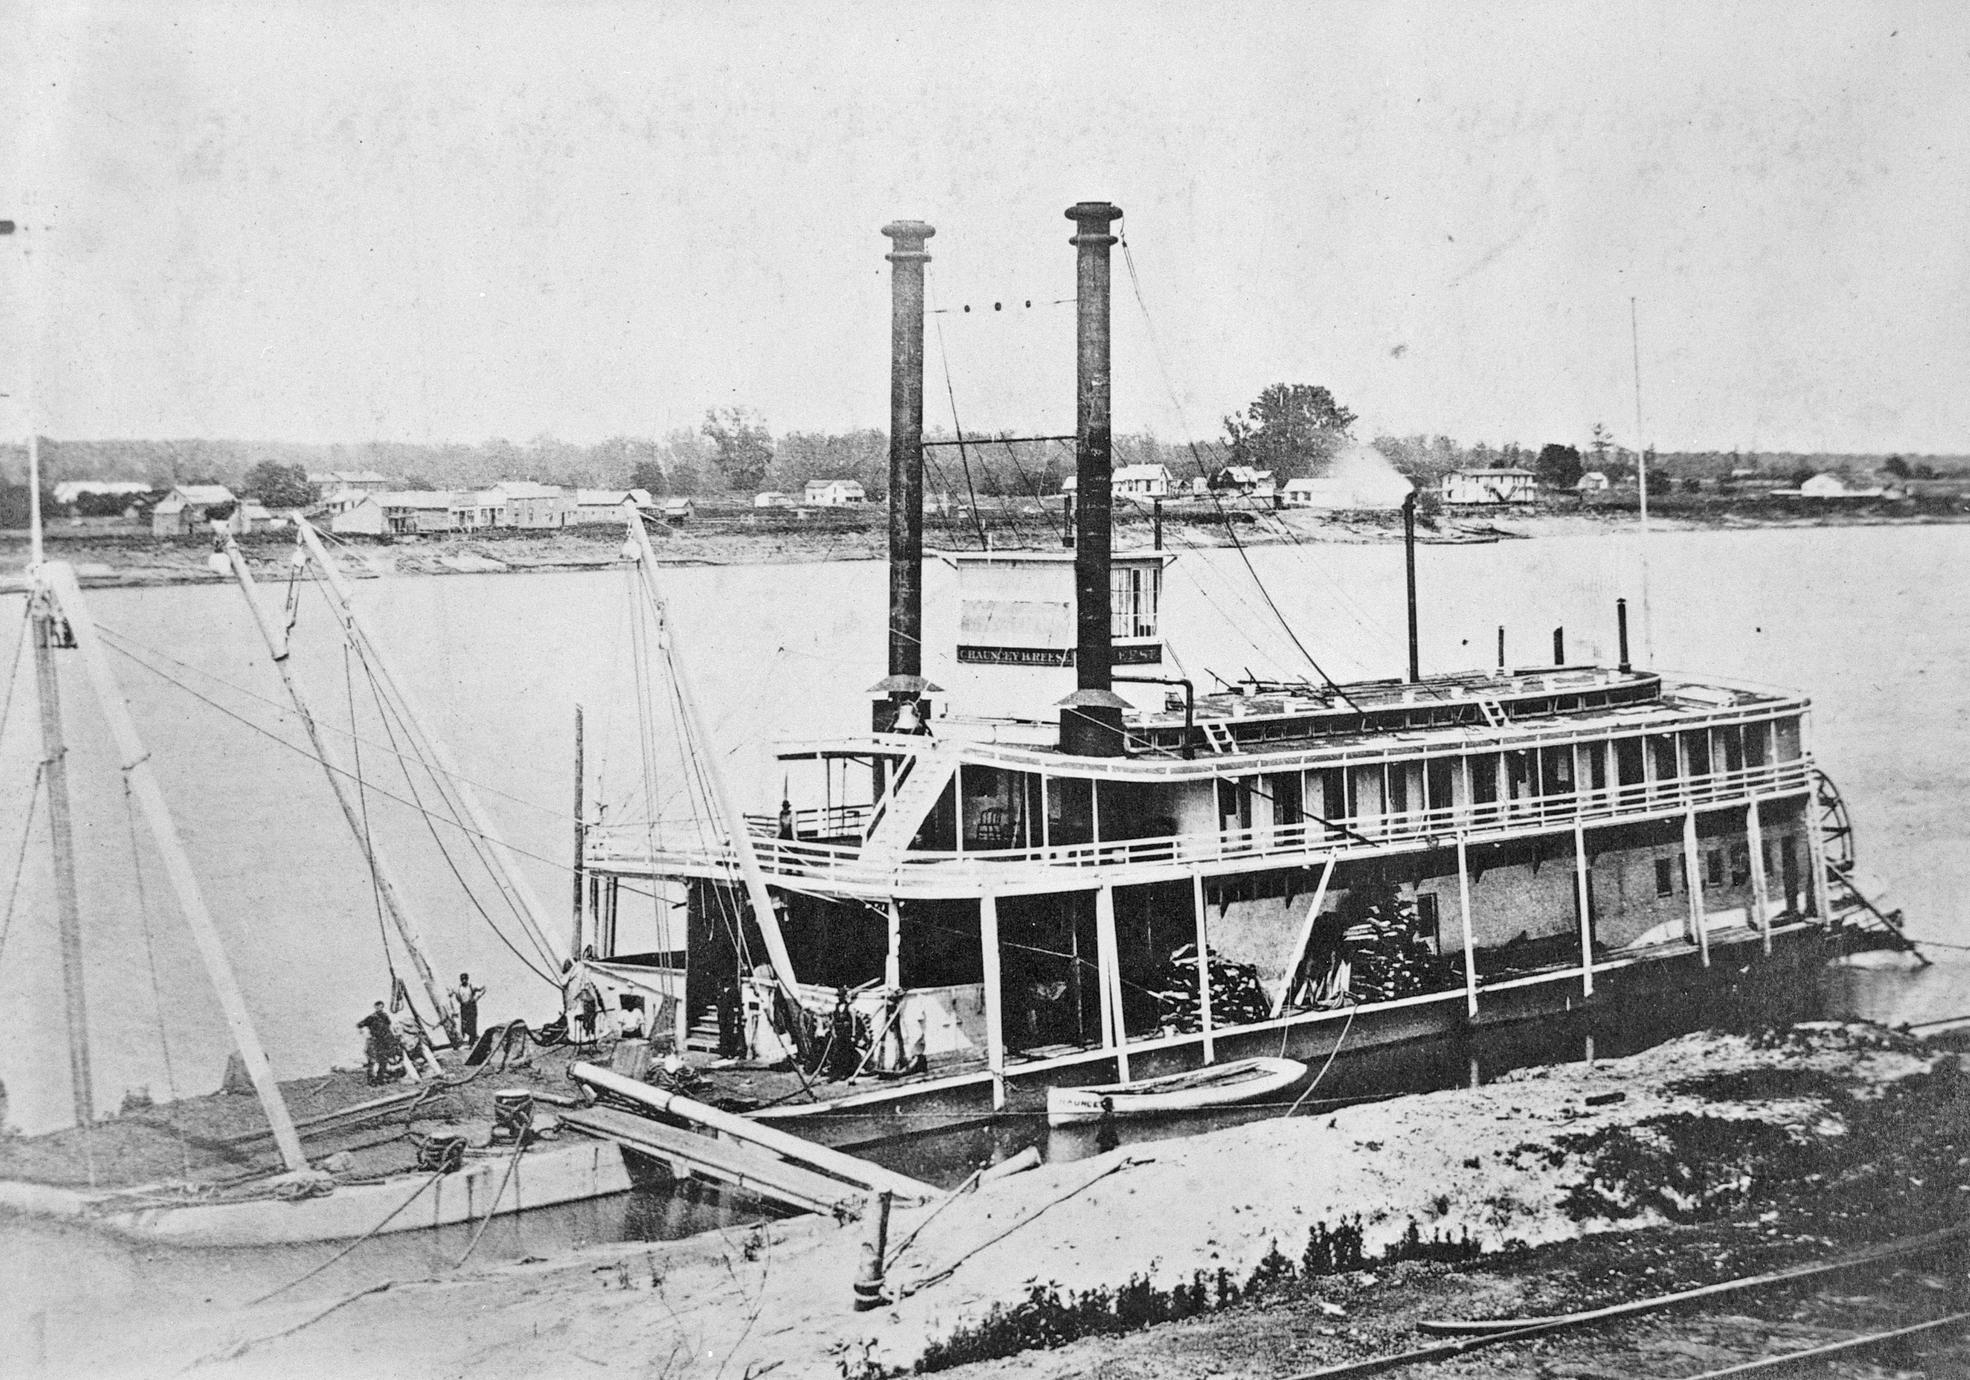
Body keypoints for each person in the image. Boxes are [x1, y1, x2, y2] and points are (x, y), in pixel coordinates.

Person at [358, 1001, 404, 1085]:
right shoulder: (372, 1017)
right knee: (373, 1061)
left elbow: (388, 1027)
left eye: (381, 1007)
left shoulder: (385, 1016)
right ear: (375, 1007)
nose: (379, 1008)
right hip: (375, 1041)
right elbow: (360, 1024)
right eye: (378, 1007)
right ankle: (371, 1080)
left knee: (383, 1061)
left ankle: (380, 1079)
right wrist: (364, 1032)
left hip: (384, 1041)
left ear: (382, 1007)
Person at [451, 973, 487, 1044]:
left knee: (472, 1024)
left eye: (465, 979)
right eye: (462, 979)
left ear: (467, 979)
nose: (464, 980)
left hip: (471, 1007)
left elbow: (483, 988)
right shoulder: (459, 988)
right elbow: (452, 993)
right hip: (463, 1007)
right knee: (464, 1025)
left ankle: (472, 1041)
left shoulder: (471, 986)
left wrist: (477, 998)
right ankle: (472, 1036)